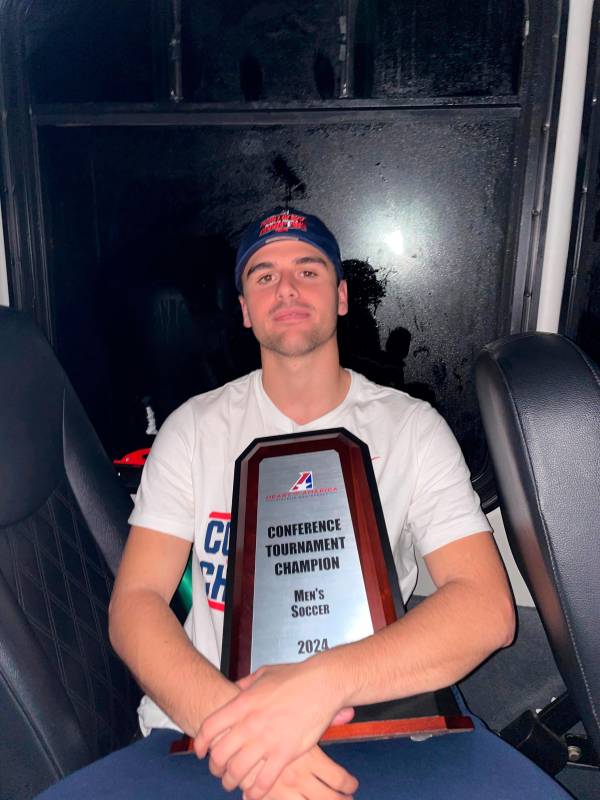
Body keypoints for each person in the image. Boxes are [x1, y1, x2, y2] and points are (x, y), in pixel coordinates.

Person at [36, 208, 572, 800]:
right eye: (263, 275)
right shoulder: (192, 429)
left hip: (382, 723)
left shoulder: (410, 428)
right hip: (209, 730)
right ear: (243, 309)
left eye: (307, 270)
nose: (286, 287)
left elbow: (486, 611)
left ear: (341, 296)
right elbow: (134, 605)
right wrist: (245, 732)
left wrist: (319, 684)